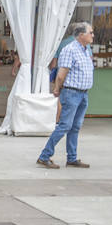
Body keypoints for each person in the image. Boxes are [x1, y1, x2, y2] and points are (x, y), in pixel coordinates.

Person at [38, 21, 96, 169]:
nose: (93, 35)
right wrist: (57, 88)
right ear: (81, 34)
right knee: (65, 125)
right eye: (90, 32)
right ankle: (44, 156)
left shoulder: (86, 49)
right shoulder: (69, 50)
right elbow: (61, 73)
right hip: (71, 92)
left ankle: (72, 158)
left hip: (83, 94)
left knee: (75, 126)